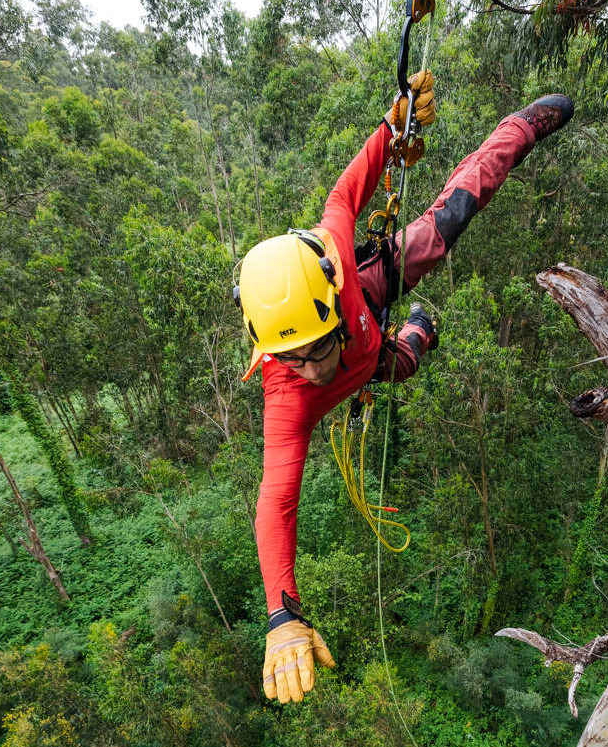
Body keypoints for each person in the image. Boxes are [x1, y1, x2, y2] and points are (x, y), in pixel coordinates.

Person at [235, 73, 574, 704]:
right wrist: (282, 617)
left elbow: (351, 185)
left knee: (451, 218)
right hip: (376, 357)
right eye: (290, 360)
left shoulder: (337, 259)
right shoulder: (287, 397)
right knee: (403, 364)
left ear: (329, 307)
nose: (308, 371)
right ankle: (421, 330)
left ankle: (516, 129)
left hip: (372, 300)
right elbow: (276, 503)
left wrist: (396, 129)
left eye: (313, 351)